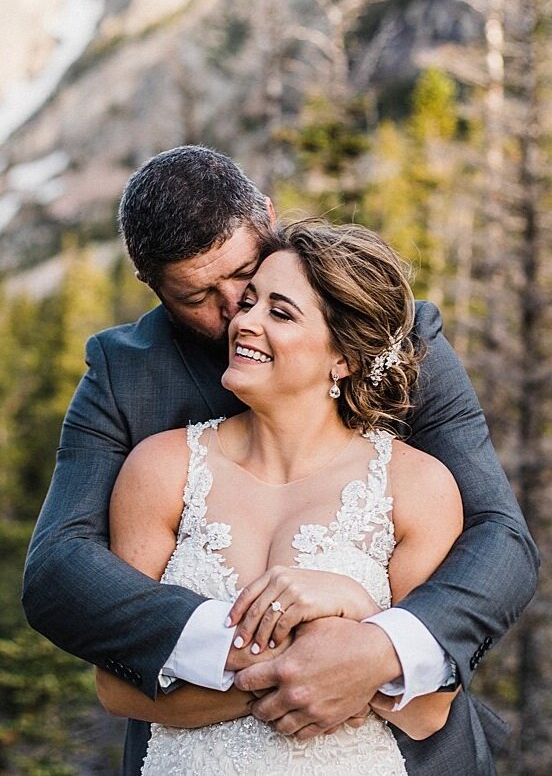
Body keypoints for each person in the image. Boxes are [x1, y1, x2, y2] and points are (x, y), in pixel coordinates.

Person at [22, 146, 537, 775]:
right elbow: (57, 566)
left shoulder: (401, 342)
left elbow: (501, 536)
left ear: (266, 216)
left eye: (246, 274)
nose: (235, 310)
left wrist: (378, 648)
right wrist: (244, 652)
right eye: (196, 296)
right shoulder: (127, 377)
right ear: (154, 287)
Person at [96, 221, 465, 774]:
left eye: (280, 312)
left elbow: (430, 710)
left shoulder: (417, 487)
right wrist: (297, 677)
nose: (243, 322)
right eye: (249, 302)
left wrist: (360, 609)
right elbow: (115, 686)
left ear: (343, 358)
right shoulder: (161, 468)